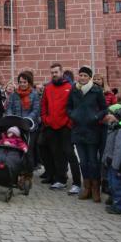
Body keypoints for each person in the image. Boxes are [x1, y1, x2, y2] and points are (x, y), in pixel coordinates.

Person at [67, 66, 108, 202]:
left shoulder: (96, 90)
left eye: (85, 75)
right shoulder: (74, 90)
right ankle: (87, 187)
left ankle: (96, 189)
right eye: (81, 75)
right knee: (83, 162)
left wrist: (96, 117)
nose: (82, 77)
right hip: (78, 130)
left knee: (92, 161)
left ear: (89, 77)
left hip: (92, 130)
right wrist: (73, 115)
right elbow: (68, 107)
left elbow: (104, 109)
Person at [40, 63, 82, 193]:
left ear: (61, 72)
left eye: (56, 72)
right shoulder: (48, 88)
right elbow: (44, 106)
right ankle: (61, 180)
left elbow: (75, 107)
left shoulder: (70, 87)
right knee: (57, 155)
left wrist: (69, 122)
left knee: (70, 154)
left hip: (66, 126)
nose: (54, 74)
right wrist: (46, 120)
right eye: (52, 72)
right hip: (52, 126)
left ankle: (76, 183)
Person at [101, 104, 121, 214]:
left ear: (118, 116)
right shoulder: (113, 126)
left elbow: (120, 148)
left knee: (117, 185)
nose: (108, 116)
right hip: (111, 161)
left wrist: (115, 164)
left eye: (110, 114)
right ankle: (115, 203)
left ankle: (119, 207)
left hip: (117, 164)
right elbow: (109, 146)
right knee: (112, 184)